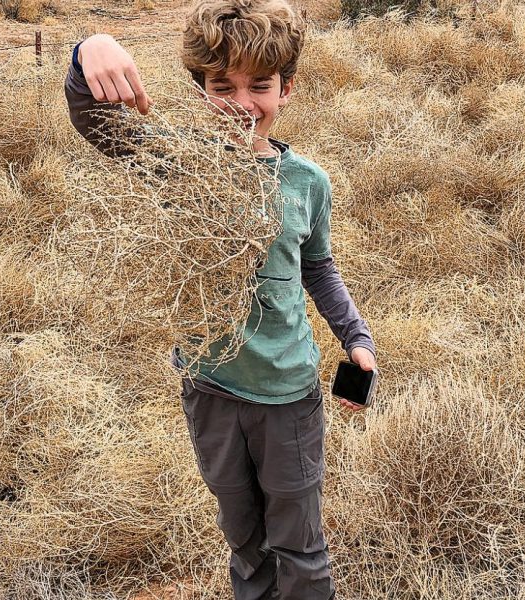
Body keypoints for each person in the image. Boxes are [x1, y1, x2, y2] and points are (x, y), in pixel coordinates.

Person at [64, 1, 377, 597]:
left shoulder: (307, 181)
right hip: (209, 389)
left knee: (299, 547)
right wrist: (89, 49)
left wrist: (355, 338)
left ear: (287, 88)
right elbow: (95, 121)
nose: (240, 101)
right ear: (201, 89)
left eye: (260, 84)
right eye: (221, 85)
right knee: (244, 541)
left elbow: (318, 267)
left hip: (288, 395)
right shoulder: (181, 165)